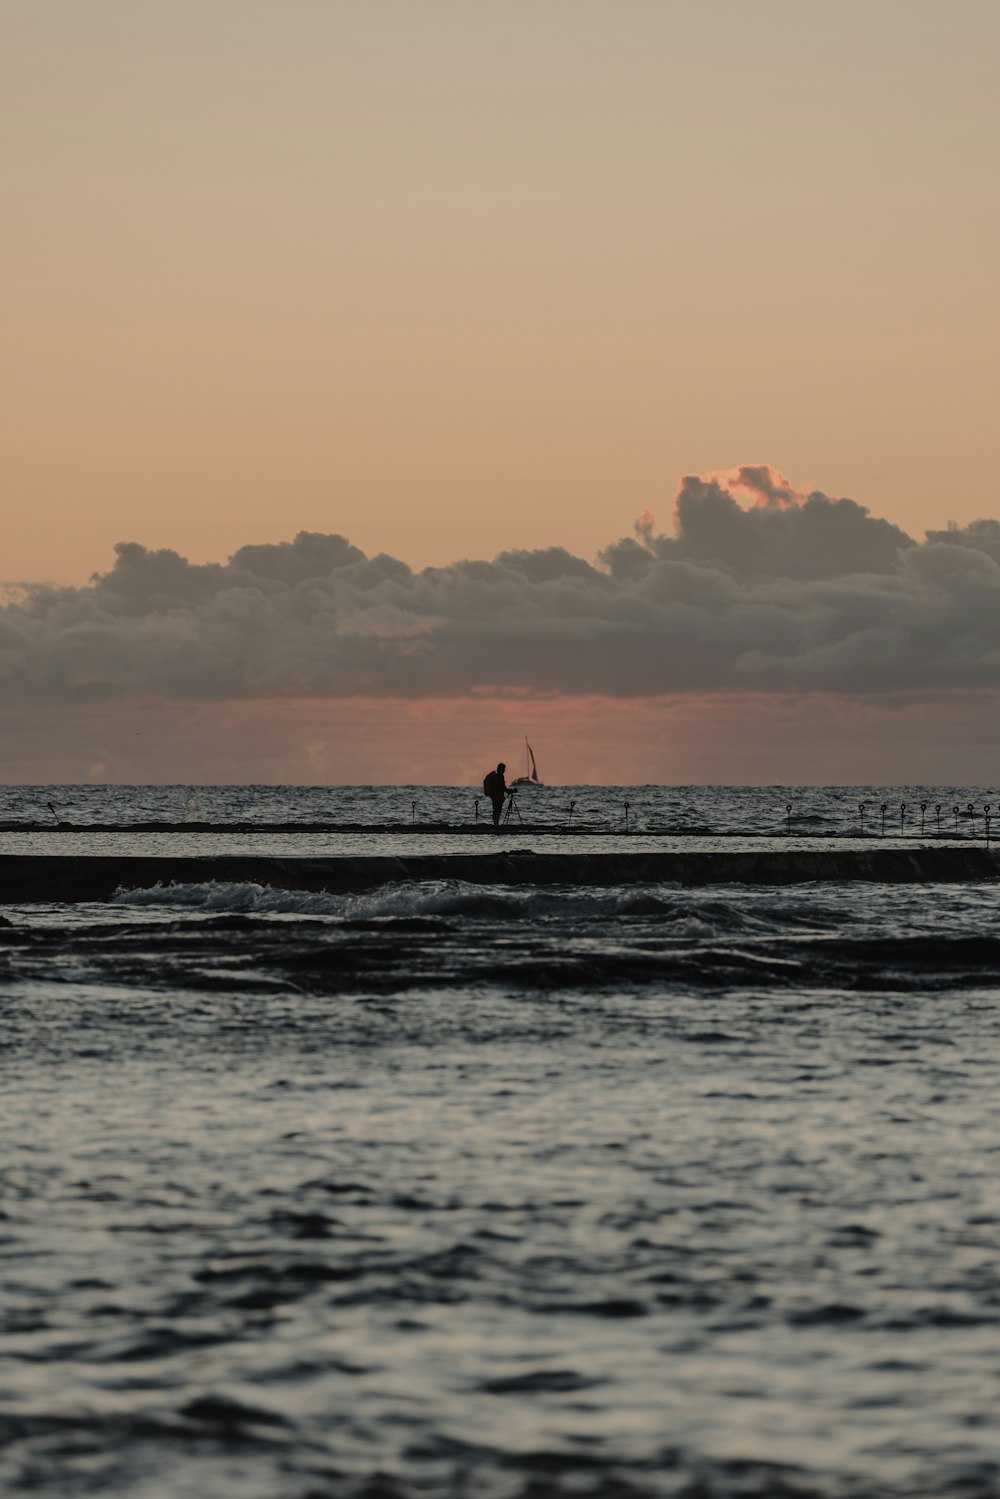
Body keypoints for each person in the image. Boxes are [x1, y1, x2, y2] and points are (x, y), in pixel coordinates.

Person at [483, 762, 508, 827]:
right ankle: (496, 824)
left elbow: (503, 786)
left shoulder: (501, 776)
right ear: (500, 769)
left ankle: (496, 824)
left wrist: (506, 791)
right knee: (496, 810)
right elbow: (501, 786)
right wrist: (506, 791)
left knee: (498, 810)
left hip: (499, 796)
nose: (504, 770)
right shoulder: (497, 777)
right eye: (503, 769)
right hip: (496, 796)